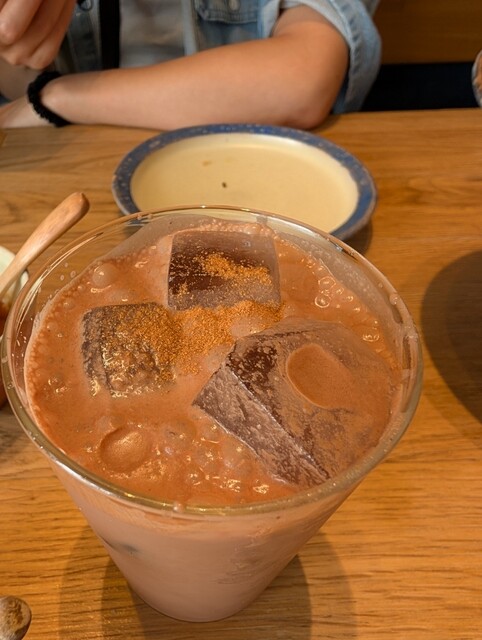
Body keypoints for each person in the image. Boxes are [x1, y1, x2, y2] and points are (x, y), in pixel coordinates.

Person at [0, 0, 381, 131]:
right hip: (67, 164)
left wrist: (56, 97)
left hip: (241, 167)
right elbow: (18, 73)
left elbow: (304, 78)